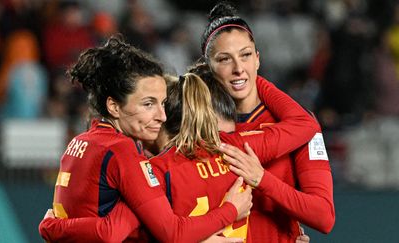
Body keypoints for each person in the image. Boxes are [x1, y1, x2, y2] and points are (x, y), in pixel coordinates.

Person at [39, 63, 317, 242]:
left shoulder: (154, 173)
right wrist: (254, 76)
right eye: (149, 105)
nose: (156, 116)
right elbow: (306, 124)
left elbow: (119, 232)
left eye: (158, 106)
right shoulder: (237, 148)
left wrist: (54, 228)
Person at [39, 35, 254, 243]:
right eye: (148, 104)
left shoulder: (80, 142)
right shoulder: (122, 152)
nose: (161, 115)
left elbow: (110, 228)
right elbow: (169, 234)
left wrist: (54, 227)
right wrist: (231, 210)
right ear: (114, 106)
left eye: (162, 103)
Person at [200, 2, 335, 242]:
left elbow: (324, 216)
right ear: (208, 67)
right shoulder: (194, 127)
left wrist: (262, 180)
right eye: (224, 59)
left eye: (246, 56)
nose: (238, 68)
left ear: (257, 59)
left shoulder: (299, 127)